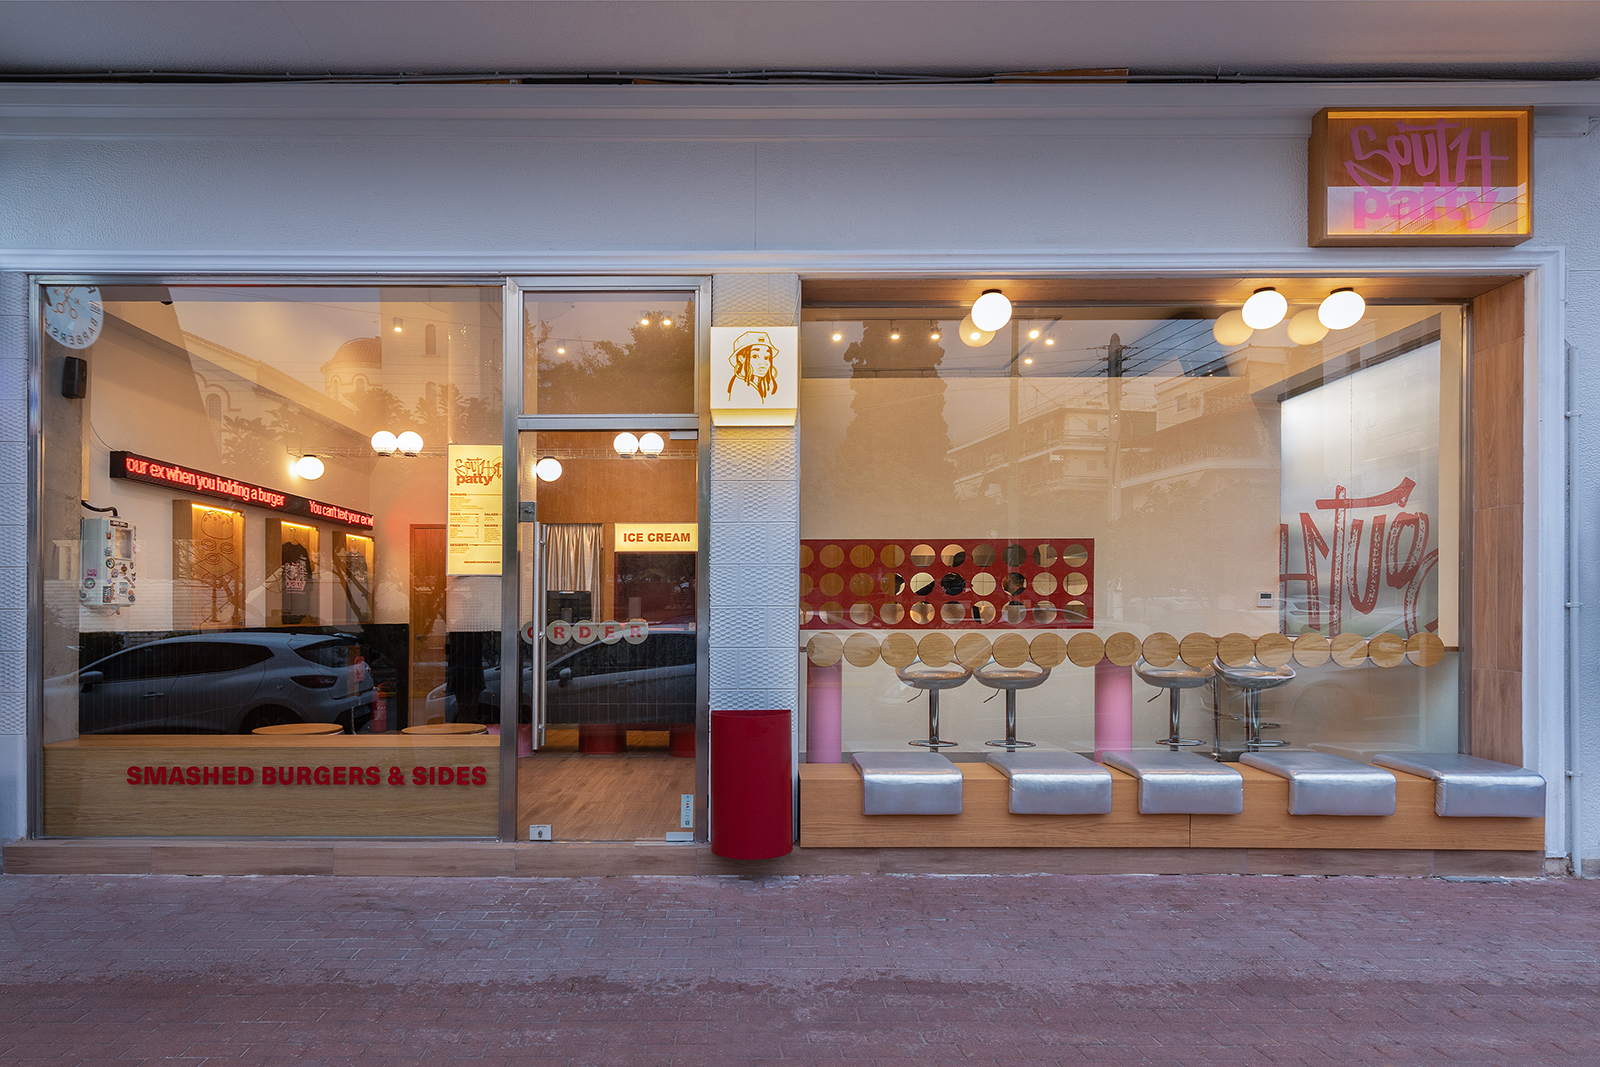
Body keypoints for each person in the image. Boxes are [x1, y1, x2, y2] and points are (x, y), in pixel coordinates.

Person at [727, 330, 780, 402]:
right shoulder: (743, 389)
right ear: (741, 359)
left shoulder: (754, 385)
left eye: (766, 357)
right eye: (755, 356)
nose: (762, 362)